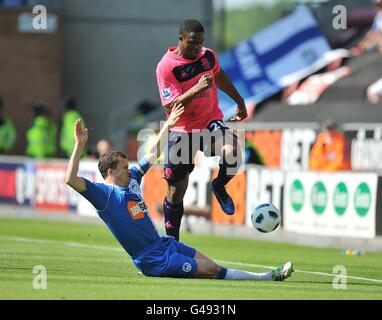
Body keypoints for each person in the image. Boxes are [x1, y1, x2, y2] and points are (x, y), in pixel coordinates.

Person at [65, 104, 294, 281]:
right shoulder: (103, 196)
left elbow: (152, 154)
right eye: (124, 167)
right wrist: (79, 145)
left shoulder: (133, 179)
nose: (130, 169)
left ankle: (266, 276)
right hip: (151, 259)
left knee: (212, 265)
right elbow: (71, 180)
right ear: (109, 172)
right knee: (212, 270)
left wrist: (169, 124)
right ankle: (268, 277)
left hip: (164, 244)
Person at [156, 19, 247, 241]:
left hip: (210, 121)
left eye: (201, 42)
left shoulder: (208, 56)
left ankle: (219, 185)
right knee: (176, 191)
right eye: (193, 43)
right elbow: (170, 105)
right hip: (182, 129)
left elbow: (219, 76)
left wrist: (239, 101)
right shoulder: (167, 66)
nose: (198, 47)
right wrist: (196, 89)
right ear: (181, 40)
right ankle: (172, 243)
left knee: (234, 152)